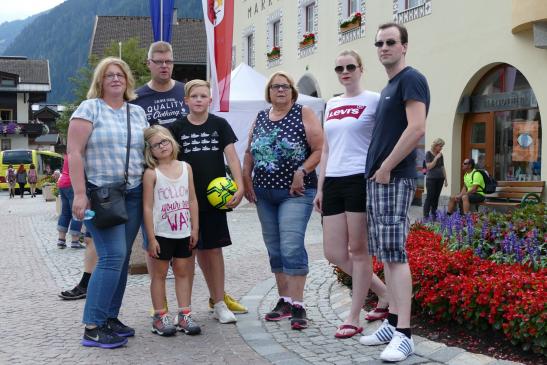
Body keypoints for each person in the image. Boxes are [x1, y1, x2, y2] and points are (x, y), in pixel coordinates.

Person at [359, 23, 430, 363]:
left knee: (396, 255)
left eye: (391, 42)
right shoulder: (390, 85)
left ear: (404, 46)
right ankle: (390, 324)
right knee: (386, 254)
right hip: (378, 179)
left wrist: (386, 166)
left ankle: (404, 333)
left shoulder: (411, 79)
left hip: (393, 178)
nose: (384, 47)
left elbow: (417, 128)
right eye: (380, 43)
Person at [68, 56, 149, 349]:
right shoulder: (89, 108)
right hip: (100, 194)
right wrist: (79, 193)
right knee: (112, 255)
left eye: (120, 75)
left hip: (133, 192)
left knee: (123, 258)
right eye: (109, 75)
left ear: (127, 80)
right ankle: (92, 325)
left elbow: (148, 151)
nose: (115, 79)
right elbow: (74, 152)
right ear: (100, 81)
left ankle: (110, 318)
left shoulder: (137, 112)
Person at [313, 50, 389, 338]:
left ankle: (354, 316)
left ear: (361, 68)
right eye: (339, 68)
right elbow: (328, 148)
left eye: (349, 67)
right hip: (333, 179)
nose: (344, 71)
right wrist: (320, 187)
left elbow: (385, 138)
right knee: (333, 252)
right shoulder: (332, 103)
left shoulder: (374, 100)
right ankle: (384, 293)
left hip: (359, 178)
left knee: (359, 251)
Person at [243, 71, 323, 330]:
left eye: (285, 86)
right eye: (276, 87)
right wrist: (246, 178)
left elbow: (320, 149)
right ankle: (285, 301)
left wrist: (303, 171)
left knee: (291, 244)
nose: (280, 90)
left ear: (292, 91)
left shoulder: (304, 113)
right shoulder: (260, 117)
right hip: (264, 193)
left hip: (295, 193)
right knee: (275, 248)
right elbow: (249, 152)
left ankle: (299, 305)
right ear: (269, 91)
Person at [169, 79, 245, 324]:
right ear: (186, 100)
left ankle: (219, 302)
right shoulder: (176, 128)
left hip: (215, 201)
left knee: (214, 251)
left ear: (210, 100)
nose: (199, 100)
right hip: (185, 199)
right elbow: (168, 162)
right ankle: (185, 308)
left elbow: (232, 158)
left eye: (204, 96)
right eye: (195, 96)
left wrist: (240, 185)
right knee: (186, 253)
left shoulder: (219, 125)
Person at [143, 125, 201, 336]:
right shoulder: (152, 173)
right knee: (159, 275)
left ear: (172, 141)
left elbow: (192, 199)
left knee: (183, 272)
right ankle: (160, 316)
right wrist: (151, 237)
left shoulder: (186, 167)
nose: (162, 146)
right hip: (161, 232)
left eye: (165, 141)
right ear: (150, 150)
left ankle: (184, 314)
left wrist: (195, 227)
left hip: (183, 231)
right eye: (156, 145)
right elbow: (148, 207)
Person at [132, 41, 188, 128]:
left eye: (168, 61)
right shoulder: (136, 99)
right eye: (159, 62)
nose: (164, 65)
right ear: (148, 63)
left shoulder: (187, 91)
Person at [56, 155, 87, 249]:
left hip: (62, 183)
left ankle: (61, 240)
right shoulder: (79, 154)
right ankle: (75, 241)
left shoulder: (68, 154)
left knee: (65, 213)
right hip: (72, 184)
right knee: (77, 212)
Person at [423, 138, 448, 218]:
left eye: (442, 146)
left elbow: (442, 167)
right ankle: (426, 215)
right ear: (436, 145)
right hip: (431, 179)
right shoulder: (428, 154)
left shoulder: (441, 154)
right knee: (430, 196)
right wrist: (436, 158)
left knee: (436, 197)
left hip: (440, 178)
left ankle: (434, 214)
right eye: (440, 146)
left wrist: (446, 179)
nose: (441, 148)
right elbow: (429, 167)